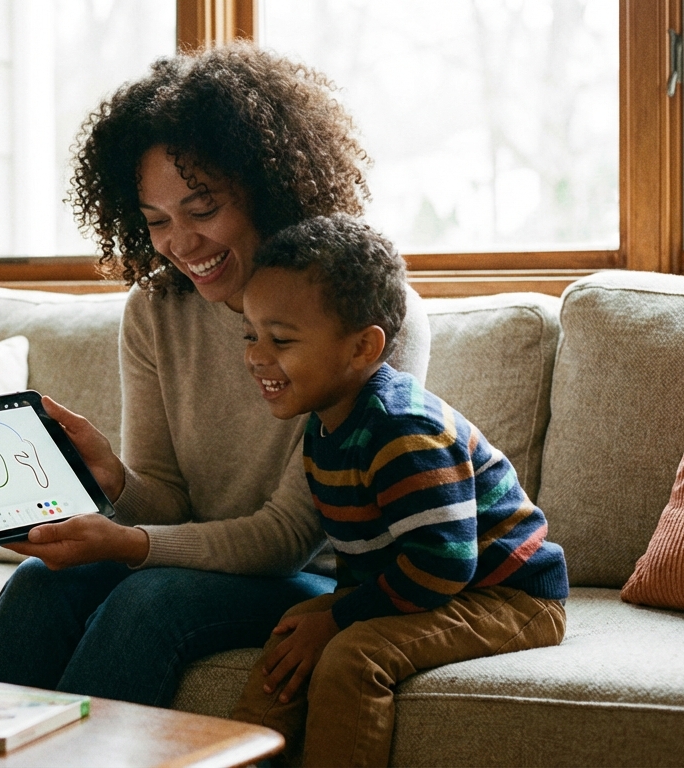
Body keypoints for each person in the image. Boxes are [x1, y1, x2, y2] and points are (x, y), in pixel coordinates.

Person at [0, 44, 431, 707]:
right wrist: (119, 482)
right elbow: (172, 503)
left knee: (149, 602)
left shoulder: (369, 319)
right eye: (156, 221)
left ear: (269, 187)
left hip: (319, 580)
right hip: (199, 561)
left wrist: (127, 543)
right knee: (41, 583)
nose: (179, 243)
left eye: (203, 209)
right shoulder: (154, 310)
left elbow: (287, 539)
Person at [230, 214, 569, 767]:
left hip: (507, 596)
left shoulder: (402, 432)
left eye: (281, 339)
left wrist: (340, 619)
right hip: (424, 582)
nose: (255, 355)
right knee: (293, 632)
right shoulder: (323, 425)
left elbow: (443, 564)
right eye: (250, 334)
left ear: (363, 347)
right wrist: (324, 616)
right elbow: (369, 558)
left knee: (352, 658)